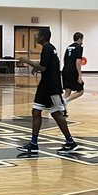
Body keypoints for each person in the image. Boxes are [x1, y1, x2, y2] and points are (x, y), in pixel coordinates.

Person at [16, 27, 78, 157]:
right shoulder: (49, 48)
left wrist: (27, 61)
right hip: (45, 86)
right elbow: (46, 65)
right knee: (36, 111)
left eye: (37, 35)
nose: (35, 37)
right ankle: (33, 144)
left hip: (51, 87)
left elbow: (43, 67)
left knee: (57, 114)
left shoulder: (48, 48)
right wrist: (36, 68)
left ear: (43, 37)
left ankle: (70, 142)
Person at [62, 31, 85, 104]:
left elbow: (64, 59)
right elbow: (78, 61)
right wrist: (79, 75)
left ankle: (60, 107)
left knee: (67, 91)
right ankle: (65, 102)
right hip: (73, 71)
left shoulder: (68, 47)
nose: (82, 41)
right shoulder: (79, 47)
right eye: (82, 39)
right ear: (79, 39)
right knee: (80, 91)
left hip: (65, 70)